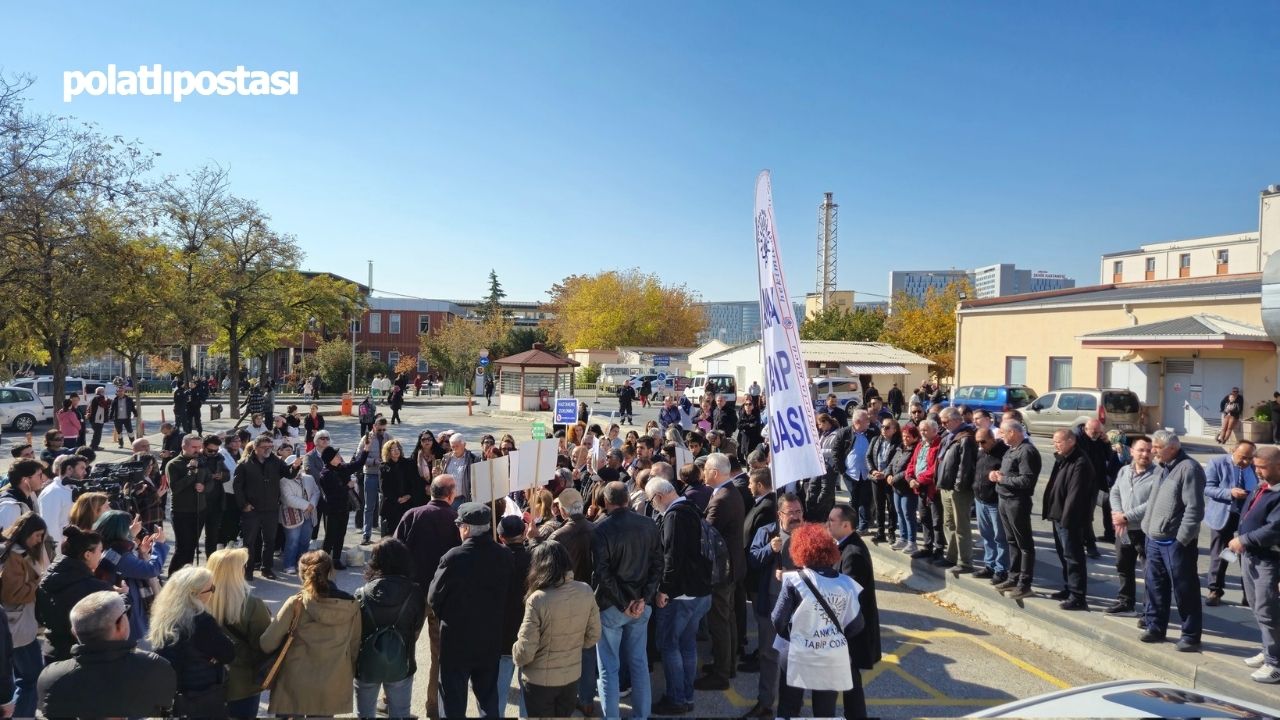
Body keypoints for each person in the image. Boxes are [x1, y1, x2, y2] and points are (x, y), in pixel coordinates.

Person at [428, 502, 513, 719]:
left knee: (452, 700)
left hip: (457, 638)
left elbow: (433, 598)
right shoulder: (504, 555)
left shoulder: (454, 557)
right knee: (487, 698)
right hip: (490, 637)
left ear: (465, 528)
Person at [772, 523, 864, 719]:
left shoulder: (794, 580)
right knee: (825, 712)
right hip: (831, 656)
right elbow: (857, 625)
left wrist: (798, 636)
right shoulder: (847, 584)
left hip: (797, 654)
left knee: (789, 709)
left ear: (800, 550)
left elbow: (778, 621)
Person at [36, 591, 177, 718]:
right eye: (126, 612)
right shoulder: (155, 667)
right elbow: (163, 707)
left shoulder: (51, 677)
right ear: (120, 625)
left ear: (74, 631)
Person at [592, 481, 663, 718]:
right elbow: (657, 565)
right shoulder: (648, 524)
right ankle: (641, 715)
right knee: (638, 665)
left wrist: (626, 603)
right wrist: (642, 599)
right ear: (628, 500)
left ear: (607, 502)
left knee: (609, 669)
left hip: (613, 606)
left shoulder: (602, 529)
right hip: (638, 606)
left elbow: (602, 574)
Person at [260, 551, 361, 716]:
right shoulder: (351, 606)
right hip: (331, 684)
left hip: (293, 685)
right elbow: (354, 647)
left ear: (302, 575)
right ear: (330, 572)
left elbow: (267, 644)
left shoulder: (296, 603)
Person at [645, 478, 713, 715]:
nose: (653, 507)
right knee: (687, 644)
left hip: (681, 594)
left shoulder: (674, 516)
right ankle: (686, 696)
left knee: (669, 645)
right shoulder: (692, 508)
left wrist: (664, 589)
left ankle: (676, 698)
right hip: (699, 591)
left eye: (652, 501)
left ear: (660, 496)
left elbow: (671, 558)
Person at [513, 540, 602, 717]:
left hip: (539, 682)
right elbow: (594, 635)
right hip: (571, 676)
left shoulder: (538, 599)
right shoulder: (585, 590)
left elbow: (525, 650)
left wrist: (516, 653)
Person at [1139, 430, 1206, 651]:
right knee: (1155, 586)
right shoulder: (1162, 467)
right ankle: (1155, 627)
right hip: (1154, 539)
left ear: (1173, 448)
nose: (1153, 452)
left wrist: (1182, 539)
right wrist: (1147, 529)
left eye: (1157, 448)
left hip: (1175, 543)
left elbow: (1194, 509)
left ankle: (1190, 635)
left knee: (1184, 590)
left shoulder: (1189, 469)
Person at [354, 538, 427, 719]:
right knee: (400, 714)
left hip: (366, 664)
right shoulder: (414, 592)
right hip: (402, 662)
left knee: (364, 715)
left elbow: (355, 631)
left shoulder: (361, 593)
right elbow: (416, 627)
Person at [149, 566, 236, 717]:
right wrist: (213, 658)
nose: (213, 593)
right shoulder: (202, 622)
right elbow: (229, 654)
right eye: (211, 589)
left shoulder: (164, 617)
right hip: (201, 696)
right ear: (195, 595)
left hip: (173, 698)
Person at [1229, 445, 1280, 683]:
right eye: (1255, 466)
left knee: (1267, 610)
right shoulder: (1263, 487)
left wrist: (1244, 539)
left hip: (1267, 559)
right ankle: (1268, 649)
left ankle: (1275, 663)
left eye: (1262, 467)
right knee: (1256, 606)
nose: (1257, 471)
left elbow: (1274, 529)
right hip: (1250, 555)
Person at [827, 504, 881, 718]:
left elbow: (846, 595)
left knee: (849, 675)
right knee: (849, 677)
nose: (827, 523)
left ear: (846, 525)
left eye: (832, 520)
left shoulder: (853, 554)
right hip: (848, 629)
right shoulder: (843, 545)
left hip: (853, 629)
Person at [205, 547, 271, 719]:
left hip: (206, 684)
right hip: (244, 685)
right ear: (236, 572)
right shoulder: (253, 605)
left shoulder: (199, 602)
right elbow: (264, 646)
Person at [36, 527, 115, 665]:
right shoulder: (96, 588)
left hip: (51, 652)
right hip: (83, 657)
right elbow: (114, 619)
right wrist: (122, 596)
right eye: (100, 551)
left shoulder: (45, 581)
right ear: (87, 555)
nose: (101, 556)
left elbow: (39, 616)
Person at [233, 434, 303, 580]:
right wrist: (244, 505)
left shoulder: (276, 462)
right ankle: (248, 570)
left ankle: (267, 568)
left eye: (270, 447)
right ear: (256, 448)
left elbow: (288, 474)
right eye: (264, 447)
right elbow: (237, 488)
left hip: (271, 508)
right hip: (251, 510)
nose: (268, 450)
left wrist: (295, 467)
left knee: (269, 541)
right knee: (249, 542)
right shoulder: (244, 464)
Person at [93, 510, 168, 641]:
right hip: (130, 610)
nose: (131, 529)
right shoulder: (120, 554)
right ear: (121, 530)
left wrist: (141, 553)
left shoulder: (110, 548)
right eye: (128, 527)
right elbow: (151, 570)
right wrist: (159, 545)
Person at [1, 512, 48, 717]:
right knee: (31, 678)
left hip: (21, 624)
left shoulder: (21, 551)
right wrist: (38, 584)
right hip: (18, 625)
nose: (39, 540)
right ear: (26, 532)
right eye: (37, 535)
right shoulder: (14, 555)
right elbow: (12, 593)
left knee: (26, 678)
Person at [1042, 428, 1094, 610]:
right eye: (1054, 442)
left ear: (1071, 441)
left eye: (1059, 442)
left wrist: (1066, 519)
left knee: (1074, 557)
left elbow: (1075, 494)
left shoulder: (1080, 461)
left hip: (1070, 519)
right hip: (1058, 515)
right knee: (1064, 555)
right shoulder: (1063, 458)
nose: (1055, 445)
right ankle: (1069, 588)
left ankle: (1078, 596)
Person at [1204, 440, 1258, 606]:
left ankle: (1248, 593)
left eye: (1250, 458)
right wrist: (1229, 492)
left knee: (1247, 555)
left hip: (1246, 516)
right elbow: (1206, 487)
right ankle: (1215, 590)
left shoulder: (1254, 467)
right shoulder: (1217, 463)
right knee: (1221, 554)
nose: (1246, 462)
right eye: (1243, 457)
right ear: (1233, 450)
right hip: (1223, 514)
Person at [991, 420, 1041, 599]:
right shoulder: (1012, 449)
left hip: (1017, 502)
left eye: (1003, 433)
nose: (1001, 436)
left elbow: (1026, 480)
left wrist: (1001, 480)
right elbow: (1010, 473)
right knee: (1011, 541)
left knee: (1024, 544)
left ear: (1012, 432)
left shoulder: (1026, 451)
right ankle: (1013, 577)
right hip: (1005, 499)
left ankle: (1025, 583)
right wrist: (996, 474)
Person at [1108, 436, 1157, 615]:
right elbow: (1114, 492)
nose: (1145, 454)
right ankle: (1125, 601)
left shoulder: (1158, 475)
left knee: (1150, 573)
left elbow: (1152, 503)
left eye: (1149, 451)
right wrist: (1117, 514)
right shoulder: (1124, 471)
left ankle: (1148, 611)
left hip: (1144, 531)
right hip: (1123, 530)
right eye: (1141, 450)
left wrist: (1125, 517)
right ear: (1132, 451)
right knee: (1123, 566)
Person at [168, 433, 214, 575]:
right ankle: (174, 577)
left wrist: (204, 487)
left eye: (199, 447)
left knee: (192, 546)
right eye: (194, 447)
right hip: (182, 512)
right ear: (184, 446)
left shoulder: (202, 461)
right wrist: (191, 473)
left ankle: (187, 576)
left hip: (199, 510)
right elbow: (175, 488)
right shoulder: (174, 464)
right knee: (183, 547)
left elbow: (210, 480)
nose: (198, 450)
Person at [937, 407, 977, 573]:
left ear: (955, 420)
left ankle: (965, 561)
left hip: (958, 489)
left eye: (945, 421)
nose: (943, 425)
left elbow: (965, 466)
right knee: (949, 523)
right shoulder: (948, 435)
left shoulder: (966, 438)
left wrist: (958, 487)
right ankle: (951, 556)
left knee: (961, 526)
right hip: (946, 487)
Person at [317, 443, 368, 569]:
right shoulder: (325, 474)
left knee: (341, 534)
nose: (340, 456)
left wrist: (365, 450)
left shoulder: (342, 468)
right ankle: (323, 562)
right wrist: (348, 486)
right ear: (330, 459)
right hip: (332, 509)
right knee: (330, 536)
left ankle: (336, 559)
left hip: (344, 507)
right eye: (337, 455)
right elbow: (333, 493)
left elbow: (358, 464)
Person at [971, 428, 1010, 585]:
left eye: (983, 442)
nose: (980, 445)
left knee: (999, 537)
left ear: (992, 439)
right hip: (980, 500)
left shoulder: (1004, 453)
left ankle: (1001, 569)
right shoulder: (980, 452)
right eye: (977, 442)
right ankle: (990, 565)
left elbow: (1009, 474)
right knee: (986, 535)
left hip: (995, 501)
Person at [280, 443, 321, 574]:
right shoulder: (284, 480)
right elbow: (287, 498)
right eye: (296, 465)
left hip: (309, 514)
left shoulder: (308, 478)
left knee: (305, 541)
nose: (299, 467)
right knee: (292, 541)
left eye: (300, 465)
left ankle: (302, 563)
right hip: (292, 515)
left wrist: (312, 504)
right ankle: (289, 564)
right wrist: (306, 505)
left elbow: (316, 492)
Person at [906, 420, 943, 560]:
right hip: (919, 487)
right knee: (924, 518)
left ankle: (938, 549)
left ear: (935, 430)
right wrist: (910, 478)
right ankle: (927, 546)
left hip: (932, 488)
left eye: (925, 430)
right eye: (921, 430)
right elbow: (912, 463)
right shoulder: (920, 445)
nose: (922, 432)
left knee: (936, 521)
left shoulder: (939, 444)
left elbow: (936, 468)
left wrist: (919, 480)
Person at [39, 455, 83, 556]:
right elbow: (51, 527)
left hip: (70, 547)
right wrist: (58, 555)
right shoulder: (53, 492)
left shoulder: (72, 487)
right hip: (59, 552)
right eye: (82, 468)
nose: (85, 472)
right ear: (69, 469)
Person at [379, 439, 416, 538]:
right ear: (388, 452)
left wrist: (408, 495)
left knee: (406, 533)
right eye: (392, 449)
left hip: (407, 503)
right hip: (392, 504)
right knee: (391, 535)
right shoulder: (384, 466)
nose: (396, 451)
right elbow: (384, 488)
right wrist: (397, 498)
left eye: (397, 448)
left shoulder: (408, 463)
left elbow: (413, 482)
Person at [0, 459, 45, 533]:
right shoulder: (10, 507)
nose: (42, 479)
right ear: (25, 480)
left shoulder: (31, 496)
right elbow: (5, 541)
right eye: (39, 475)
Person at [444, 434, 479, 507]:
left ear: (464, 445)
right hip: (448, 498)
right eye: (452, 446)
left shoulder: (472, 459)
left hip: (464, 498)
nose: (454, 449)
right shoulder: (446, 458)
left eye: (457, 446)